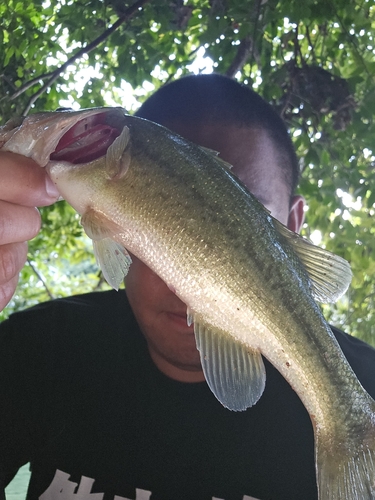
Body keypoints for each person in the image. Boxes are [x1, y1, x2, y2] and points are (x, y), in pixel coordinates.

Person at [0, 74, 374, 500]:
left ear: (293, 226)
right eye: (170, 226)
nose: (183, 285)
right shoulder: (35, 351)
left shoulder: (370, 387)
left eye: (230, 224)